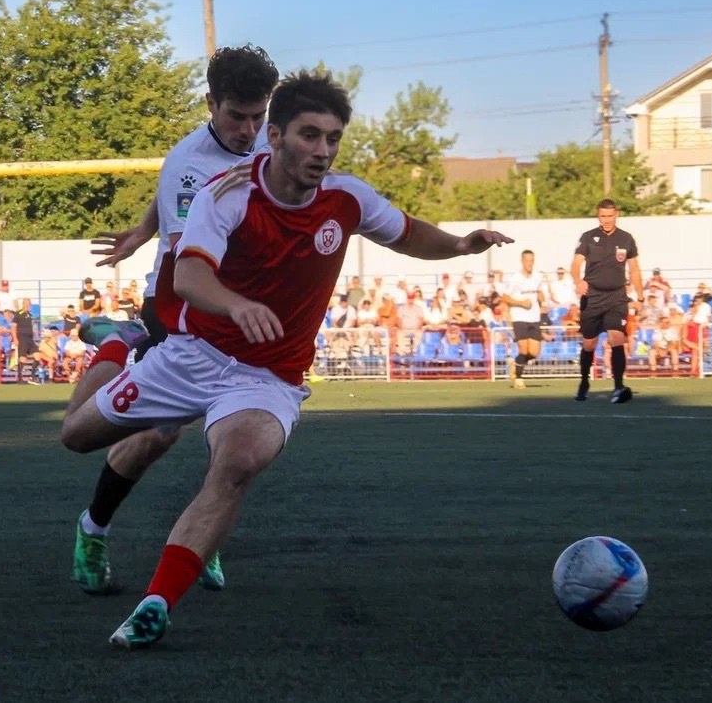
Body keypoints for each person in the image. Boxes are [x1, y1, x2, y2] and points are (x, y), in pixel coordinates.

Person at [58, 71, 513, 649]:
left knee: (238, 462)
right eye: (309, 135)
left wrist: (459, 245)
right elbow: (190, 276)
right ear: (274, 137)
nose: (322, 150)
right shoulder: (225, 193)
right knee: (76, 437)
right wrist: (236, 304)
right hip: (191, 356)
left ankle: (157, 603)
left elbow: (404, 233)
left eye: (333, 138)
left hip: (265, 378)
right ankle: (118, 345)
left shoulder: (347, 198)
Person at [67, 44, 279, 596]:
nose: (248, 130)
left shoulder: (273, 139)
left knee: (235, 436)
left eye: (258, 116)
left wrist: (142, 229)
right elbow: (193, 262)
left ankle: (198, 536)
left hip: (240, 310)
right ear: (211, 103)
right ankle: (93, 528)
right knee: (158, 435)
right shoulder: (189, 162)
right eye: (236, 116)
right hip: (181, 305)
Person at [570, 198, 643, 403]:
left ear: (616, 215)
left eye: (610, 216)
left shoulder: (626, 238)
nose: (607, 220)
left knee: (616, 338)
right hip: (592, 297)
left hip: (616, 297)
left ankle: (618, 386)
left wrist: (640, 296)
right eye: (603, 216)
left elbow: (635, 269)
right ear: (598, 216)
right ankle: (584, 381)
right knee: (589, 344)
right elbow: (575, 265)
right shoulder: (588, 237)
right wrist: (578, 281)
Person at [501, 249, 546, 389]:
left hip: (534, 317)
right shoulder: (515, 278)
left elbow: (540, 292)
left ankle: (515, 365)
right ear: (522, 261)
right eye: (527, 261)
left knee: (534, 353)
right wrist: (521, 303)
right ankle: (519, 378)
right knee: (523, 349)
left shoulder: (538, 276)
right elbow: (505, 297)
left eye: (532, 261)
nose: (530, 263)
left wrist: (542, 301)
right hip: (519, 317)